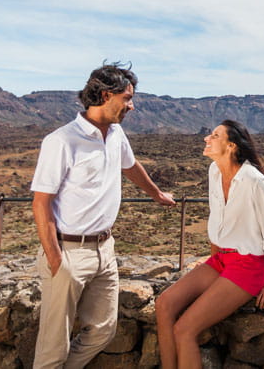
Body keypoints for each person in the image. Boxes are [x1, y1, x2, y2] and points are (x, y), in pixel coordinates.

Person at [31, 63, 175, 369]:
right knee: (52, 346)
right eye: (127, 98)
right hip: (69, 250)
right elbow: (41, 202)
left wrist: (156, 194)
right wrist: (56, 259)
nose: (131, 106)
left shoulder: (116, 133)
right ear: (106, 95)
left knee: (104, 330)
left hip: (104, 251)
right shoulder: (62, 141)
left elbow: (130, 165)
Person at [155, 120, 264, 369]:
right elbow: (216, 219)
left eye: (215, 135)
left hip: (248, 266)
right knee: (164, 304)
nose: (207, 138)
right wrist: (214, 261)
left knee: (185, 329)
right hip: (222, 260)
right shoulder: (214, 171)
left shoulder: (254, 181)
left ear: (231, 145)